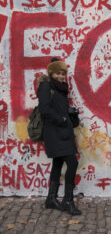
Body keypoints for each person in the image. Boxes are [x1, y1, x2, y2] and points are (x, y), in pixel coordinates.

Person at [37, 57, 81, 215]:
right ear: (51, 73)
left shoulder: (61, 88)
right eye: (58, 73)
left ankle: (51, 199)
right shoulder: (45, 86)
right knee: (72, 163)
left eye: (63, 73)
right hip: (55, 133)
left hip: (64, 132)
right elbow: (44, 109)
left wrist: (70, 114)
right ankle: (68, 201)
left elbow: (58, 107)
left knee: (57, 164)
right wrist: (61, 118)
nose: (61, 76)